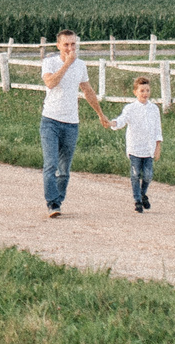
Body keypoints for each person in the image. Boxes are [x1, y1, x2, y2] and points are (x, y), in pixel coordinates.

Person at [38, 29, 107, 217]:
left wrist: (100, 114)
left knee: (64, 169)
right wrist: (67, 64)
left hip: (71, 123)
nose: (70, 48)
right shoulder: (49, 62)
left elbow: (88, 90)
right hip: (50, 121)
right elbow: (50, 83)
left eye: (73, 44)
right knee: (50, 164)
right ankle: (52, 203)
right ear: (58, 45)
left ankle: (58, 201)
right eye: (66, 44)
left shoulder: (81, 65)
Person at [106, 74, 164, 211]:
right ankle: (137, 200)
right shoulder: (130, 108)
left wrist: (158, 146)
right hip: (135, 148)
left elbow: (157, 129)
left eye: (147, 90)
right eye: (142, 91)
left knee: (148, 174)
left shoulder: (154, 109)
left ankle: (143, 193)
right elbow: (121, 120)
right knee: (135, 173)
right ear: (135, 92)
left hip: (148, 148)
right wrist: (112, 123)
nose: (145, 94)